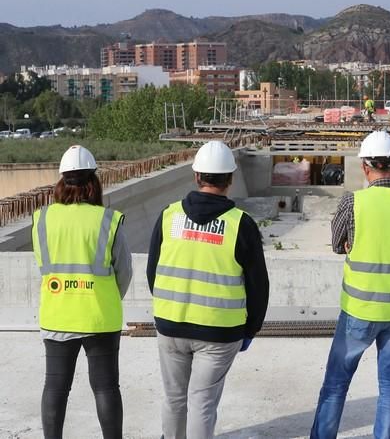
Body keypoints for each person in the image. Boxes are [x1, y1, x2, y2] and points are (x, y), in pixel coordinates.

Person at [311, 131, 390, 439]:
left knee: (336, 384)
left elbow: (338, 244)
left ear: (365, 167)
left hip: (359, 311)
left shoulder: (355, 201)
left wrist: (354, 243)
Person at [147, 140, 269, 439]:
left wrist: (170, 308)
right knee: (202, 403)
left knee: (174, 398)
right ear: (230, 180)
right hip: (218, 332)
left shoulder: (169, 216)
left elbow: (153, 273)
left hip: (171, 325)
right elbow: (258, 287)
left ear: (197, 176)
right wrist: (250, 330)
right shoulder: (241, 225)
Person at [32, 145, 132, 439]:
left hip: (57, 316)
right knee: (105, 387)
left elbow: (43, 264)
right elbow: (124, 271)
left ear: (61, 182)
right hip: (100, 318)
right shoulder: (107, 220)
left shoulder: (42, 219)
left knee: (55, 387)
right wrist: (107, 298)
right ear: (93, 183)